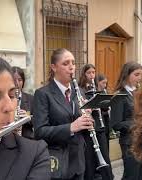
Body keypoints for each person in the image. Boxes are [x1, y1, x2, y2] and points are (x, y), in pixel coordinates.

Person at [33, 48, 94, 180]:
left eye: (73, 63)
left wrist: (88, 119)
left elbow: (81, 126)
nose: (71, 67)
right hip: (57, 162)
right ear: (54, 67)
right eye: (66, 64)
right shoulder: (43, 94)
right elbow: (39, 132)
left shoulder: (79, 92)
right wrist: (71, 127)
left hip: (78, 159)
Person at [110, 61, 142, 180]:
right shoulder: (120, 96)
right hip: (129, 142)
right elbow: (115, 124)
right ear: (127, 75)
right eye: (136, 74)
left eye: (141, 74)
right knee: (131, 175)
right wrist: (137, 123)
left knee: (141, 175)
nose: (140, 78)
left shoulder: (138, 93)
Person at [78, 65, 113, 180]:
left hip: (100, 127)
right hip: (88, 128)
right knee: (90, 160)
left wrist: (103, 105)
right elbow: (80, 107)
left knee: (105, 156)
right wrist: (89, 105)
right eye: (89, 73)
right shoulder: (80, 89)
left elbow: (103, 108)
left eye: (93, 72)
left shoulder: (96, 89)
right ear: (84, 74)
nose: (92, 75)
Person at [11, 66, 34, 139]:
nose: (17, 83)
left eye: (20, 80)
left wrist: (28, 117)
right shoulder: (5, 99)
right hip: (9, 138)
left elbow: (38, 121)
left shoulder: (31, 99)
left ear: (23, 81)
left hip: (27, 139)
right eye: (14, 80)